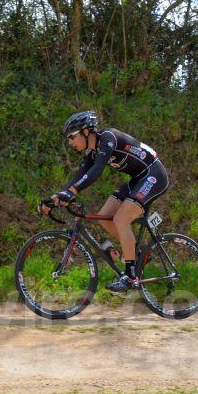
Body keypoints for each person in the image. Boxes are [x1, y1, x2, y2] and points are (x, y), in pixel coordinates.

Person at [38, 110, 169, 292]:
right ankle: (137, 254)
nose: (70, 142)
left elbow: (97, 170)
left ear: (86, 131)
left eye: (72, 136)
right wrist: (56, 197)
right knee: (104, 216)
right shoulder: (92, 152)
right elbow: (80, 175)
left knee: (121, 219)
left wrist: (72, 192)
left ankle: (130, 275)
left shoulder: (108, 138)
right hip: (138, 179)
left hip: (153, 175)